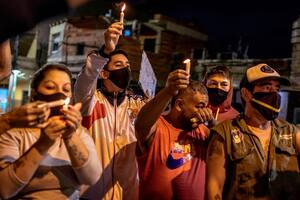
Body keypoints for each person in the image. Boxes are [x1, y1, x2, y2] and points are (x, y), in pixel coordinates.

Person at [0, 63, 101, 199]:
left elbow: (92, 178)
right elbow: (4, 189)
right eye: (50, 87)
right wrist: (43, 143)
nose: (59, 94)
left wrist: (70, 136)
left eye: (66, 89)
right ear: (35, 93)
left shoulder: (79, 132)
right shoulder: (15, 132)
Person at [206, 63, 300, 200]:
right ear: (246, 94)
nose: (274, 94)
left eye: (277, 89)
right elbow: (214, 189)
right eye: (267, 87)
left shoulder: (291, 132)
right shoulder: (224, 133)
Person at [74, 22, 144, 200]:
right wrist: (105, 50)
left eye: (127, 65)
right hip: (91, 194)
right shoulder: (91, 101)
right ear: (104, 73)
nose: (126, 69)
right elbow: (85, 79)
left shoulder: (136, 105)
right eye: (119, 65)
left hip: (127, 195)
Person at [135, 69, 214, 200]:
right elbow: (140, 125)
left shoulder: (203, 132)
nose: (204, 112)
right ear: (179, 105)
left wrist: (212, 122)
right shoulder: (158, 127)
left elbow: (229, 148)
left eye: (205, 107)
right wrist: (168, 91)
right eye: (199, 106)